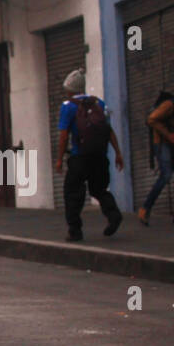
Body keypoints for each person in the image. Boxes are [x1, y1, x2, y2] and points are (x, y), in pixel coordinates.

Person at [55, 68, 124, 241]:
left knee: (72, 193)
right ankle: (113, 214)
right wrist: (118, 153)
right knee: (99, 189)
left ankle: (75, 231)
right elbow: (109, 131)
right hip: (100, 156)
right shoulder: (99, 104)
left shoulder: (68, 107)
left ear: (70, 89)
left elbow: (64, 136)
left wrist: (59, 159)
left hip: (79, 157)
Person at [139, 79, 174, 226]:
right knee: (166, 175)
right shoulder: (171, 104)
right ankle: (145, 208)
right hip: (162, 143)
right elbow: (151, 119)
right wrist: (168, 134)